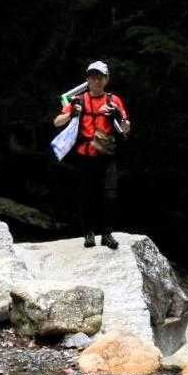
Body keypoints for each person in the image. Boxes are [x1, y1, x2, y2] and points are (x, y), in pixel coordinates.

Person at [53, 60, 130, 249]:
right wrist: (71, 113)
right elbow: (57, 122)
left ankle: (107, 234)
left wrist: (117, 116)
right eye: (93, 77)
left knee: (110, 196)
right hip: (85, 155)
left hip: (106, 154)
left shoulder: (114, 100)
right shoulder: (78, 100)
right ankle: (88, 234)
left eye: (100, 77)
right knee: (87, 196)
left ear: (106, 79)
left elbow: (126, 128)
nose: (96, 80)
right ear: (87, 79)